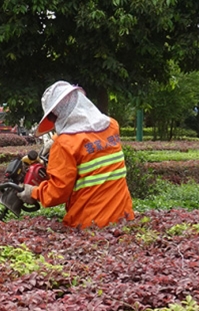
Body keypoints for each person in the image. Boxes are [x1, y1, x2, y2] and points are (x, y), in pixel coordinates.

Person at [16, 80, 134, 229]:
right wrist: (56, 140)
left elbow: (58, 192)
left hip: (89, 224)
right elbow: (86, 131)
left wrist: (33, 193)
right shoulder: (111, 126)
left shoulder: (65, 145)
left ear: (58, 114)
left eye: (52, 117)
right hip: (124, 218)